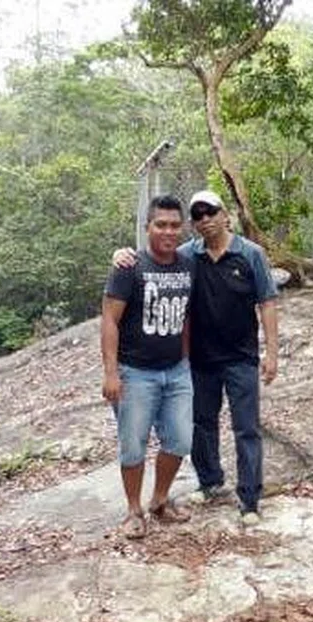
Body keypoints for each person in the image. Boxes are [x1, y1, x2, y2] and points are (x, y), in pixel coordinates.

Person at [113, 190, 279, 526]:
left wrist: (272, 352)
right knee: (202, 426)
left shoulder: (251, 254)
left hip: (241, 357)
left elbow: (267, 302)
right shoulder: (188, 257)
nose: (205, 220)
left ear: (225, 213)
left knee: (246, 428)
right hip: (200, 360)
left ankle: (249, 500)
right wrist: (120, 254)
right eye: (198, 215)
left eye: (211, 212)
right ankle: (210, 481)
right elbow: (154, 257)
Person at [101, 194, 194, 539]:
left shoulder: (188, 264)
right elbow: (109, 320)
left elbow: (187, 316)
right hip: (135, 372)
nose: (168, 232)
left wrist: (185, 358)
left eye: (174, 225)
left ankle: (159, 500)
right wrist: (111, 373)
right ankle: (133, 510)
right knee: (134, 444)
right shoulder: (129, 268)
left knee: (181, 439)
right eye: (161, 225)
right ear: (148, 227)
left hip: (177, 370)